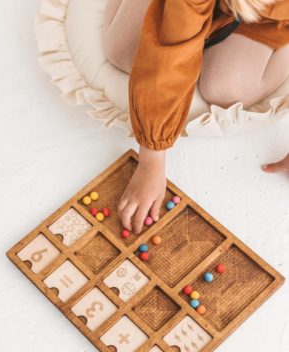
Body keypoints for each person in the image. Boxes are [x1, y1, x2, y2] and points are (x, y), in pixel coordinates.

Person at [103, 0, 289, 234]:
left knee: (226, 90)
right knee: (124, 53)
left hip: (268, 15)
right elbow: (169, 54)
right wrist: (152, 157)